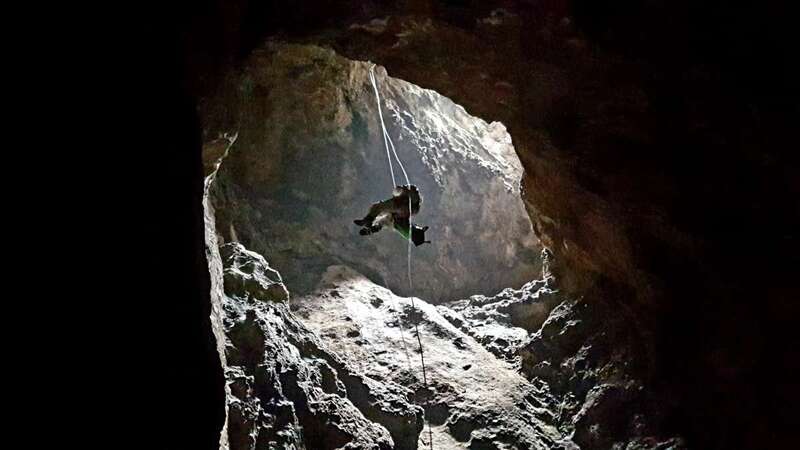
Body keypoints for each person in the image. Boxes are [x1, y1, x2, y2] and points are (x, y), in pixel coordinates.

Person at [354, 185, 431, 246]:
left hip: (400, 210)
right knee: (382, 214)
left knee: (379, 208)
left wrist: (405, 190)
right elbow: (385, 222)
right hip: (398, 215)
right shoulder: (404, 224)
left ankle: (369, 220)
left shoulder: (411, 202)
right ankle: (369, 223)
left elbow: (413, 192)